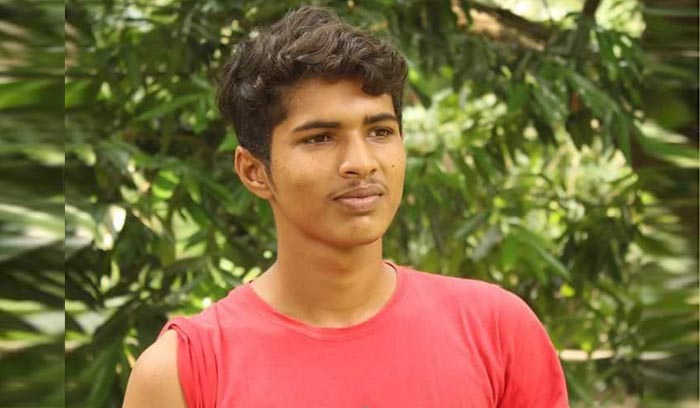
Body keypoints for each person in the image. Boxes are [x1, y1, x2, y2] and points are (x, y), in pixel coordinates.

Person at [122, 5, 569, 408]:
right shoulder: (184, 373)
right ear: (254, 171)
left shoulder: (496, 331)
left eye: (380, 132)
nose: (361, 163)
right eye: (320, 138)